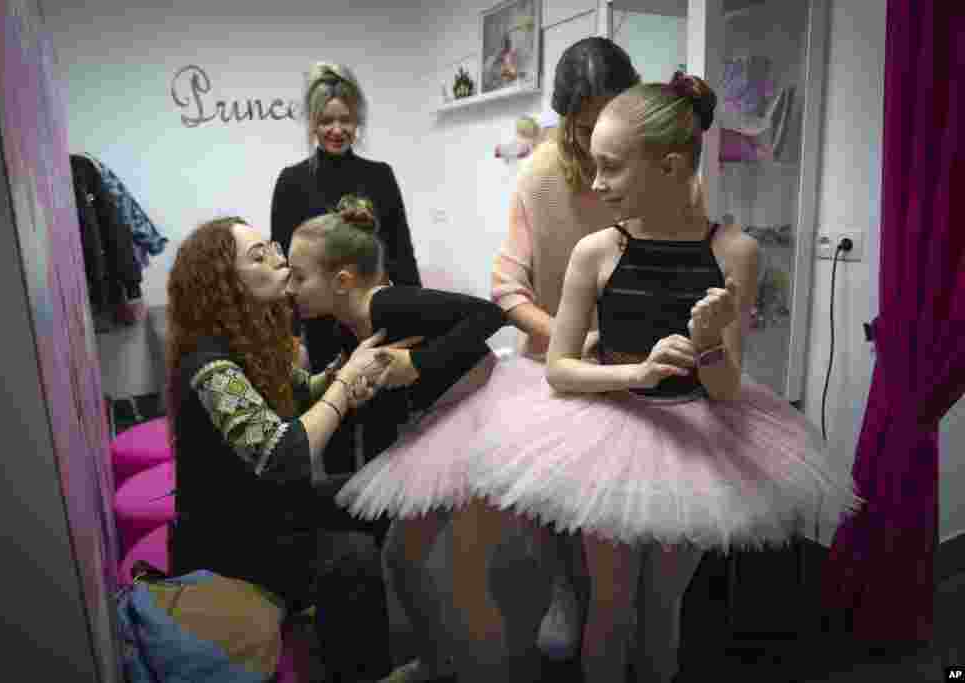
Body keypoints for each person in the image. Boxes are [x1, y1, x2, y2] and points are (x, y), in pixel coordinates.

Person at [465, 73, 863, 683]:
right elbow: (560, 370)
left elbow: (726, 388)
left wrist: (707, 345)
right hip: (610, 437)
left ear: (672, 166)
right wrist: (637, 371)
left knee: (663, 609)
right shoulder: (596, 251)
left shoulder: (736, 252)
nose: (596, 184)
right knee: (612, 607)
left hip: (699, 443)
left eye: (611, 168)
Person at [164, 216, 421, 683]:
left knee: (382, 494)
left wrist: (347, 369)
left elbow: (303, 389)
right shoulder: (210, 364)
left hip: (267, 511)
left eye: (271, 247)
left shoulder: (246, 344)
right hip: (231, 539)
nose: (278, 259)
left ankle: (405, 642)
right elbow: (283, 456)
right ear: (224, 284)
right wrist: (342, 388)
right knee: (351, 560)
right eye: (257, 256)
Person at [284, 195, 511, 683]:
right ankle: (435, 662)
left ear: (342, 280)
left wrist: (418, 365)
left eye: (299, 276)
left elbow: (488, 317)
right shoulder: (353, 325)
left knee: (459, 571)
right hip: (442, 422)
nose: (291, 287)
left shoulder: (388, 301)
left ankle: (480, 667)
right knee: (403, 558)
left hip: (482, 421)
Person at [483, 36, 644, 675]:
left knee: (622, 530)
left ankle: (624, 622)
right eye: (582, 128)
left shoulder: (648, 164)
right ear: (564, 117)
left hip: (632, 364)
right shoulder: (541, 174)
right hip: (554, 366)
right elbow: (506, 286)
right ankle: (564, 590)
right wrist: (565, 336)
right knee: (562, 510)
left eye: (611, 124)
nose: (595, 142)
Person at [271, 62, 422, 477]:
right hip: (320, 326)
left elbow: (402, 257)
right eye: (326, 120)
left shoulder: (380, 176)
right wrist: (289, 336)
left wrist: (415, 324)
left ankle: (383, 529)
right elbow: (286, 271)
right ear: (313, 124)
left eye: (346, 119)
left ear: (358, 121)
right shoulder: (291, 182)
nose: (337, 129)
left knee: (384, 434)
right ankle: (343, 529)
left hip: (376, 323)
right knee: (334, 432)